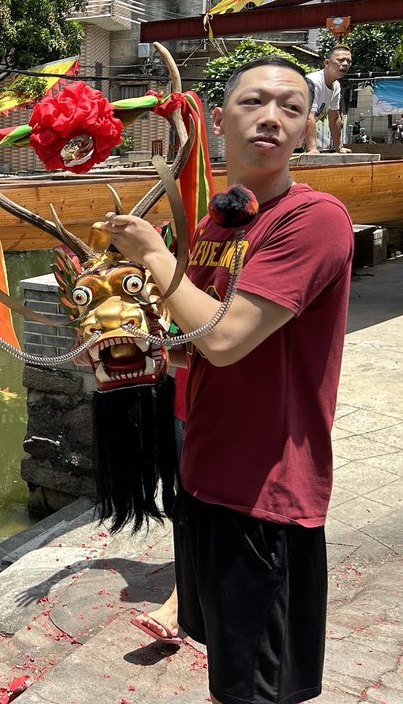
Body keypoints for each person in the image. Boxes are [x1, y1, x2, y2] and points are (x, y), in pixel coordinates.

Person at [106, 56, 353, 704]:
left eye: (290, 107)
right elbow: (197, 349)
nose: (271, 117)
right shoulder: (218, 226)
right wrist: (131, 350)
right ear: (218, 120)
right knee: (230, 675)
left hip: (266, 494)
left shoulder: (314, 219)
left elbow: (224, 337)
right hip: (207, 480)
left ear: (305, 129)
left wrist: (156, 257)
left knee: (261, 690)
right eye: (254, 102)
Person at [304, 45, 353, 154]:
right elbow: (308, 116)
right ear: (326, 63)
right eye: (341, 60)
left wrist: (339, 148)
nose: (345, 64)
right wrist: (312, 148)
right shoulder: (313, 82)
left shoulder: (335, 85)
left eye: (348, 61)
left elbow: (334, 117)